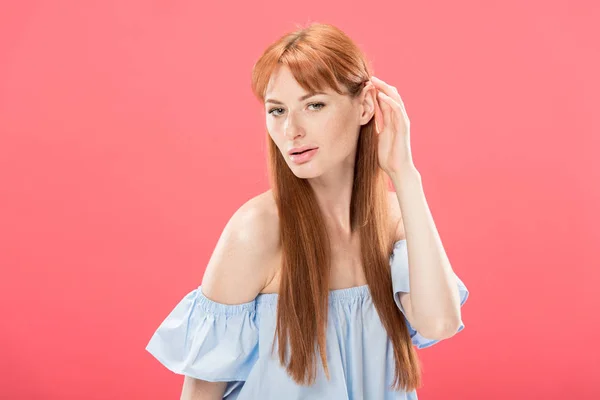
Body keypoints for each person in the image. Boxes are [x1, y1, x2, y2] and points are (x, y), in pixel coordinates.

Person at [145, 22, 469, 399]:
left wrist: (405, 174)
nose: (291, 130)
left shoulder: (394, 220)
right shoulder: (257, 232)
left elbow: (442, 322)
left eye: (314, 105)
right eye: (277, 110)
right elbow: (200, 393)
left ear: (365, 106)